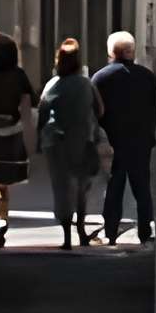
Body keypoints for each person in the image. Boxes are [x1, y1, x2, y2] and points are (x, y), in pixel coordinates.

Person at [91, 30, 156, 246]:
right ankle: (145, 230)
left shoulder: (100, 78)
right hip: (140, 141)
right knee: (142, 186)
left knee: (114, 185)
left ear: (111, 51)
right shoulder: (148, 77)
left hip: (113, 141)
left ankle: (110, 230)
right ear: (133, 51)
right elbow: (153, 109)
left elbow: (95, 113)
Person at [36, 37, 103, 249]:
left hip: (55, 142)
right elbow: (101, 109)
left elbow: (42, 113)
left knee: (62, 187)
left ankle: (66, 236)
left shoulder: (52, 85)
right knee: (82, 186)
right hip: (81, 139)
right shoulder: (86, 83)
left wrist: (39, 138)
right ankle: (81, 232)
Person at [0, 34, 37, 246]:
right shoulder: (19, 76)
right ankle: (3, 218)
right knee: (4, 183)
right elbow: (28, 105)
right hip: (12, 134)